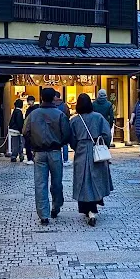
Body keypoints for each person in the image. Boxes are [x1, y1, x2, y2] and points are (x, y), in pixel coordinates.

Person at [23, 87, 71, 225]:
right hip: (55, 151)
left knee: (40, 183)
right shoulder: (59, 114)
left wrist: (32, 144)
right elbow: (66, 133)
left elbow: (25, 131)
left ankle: (43, 214)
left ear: (41, 97)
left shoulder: (33, 114)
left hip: (39, 152)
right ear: (54, 98)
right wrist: (60, 143)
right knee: (57, 182)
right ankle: (56, 206)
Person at [69, 93, 113, 226]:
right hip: (96, 150)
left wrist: (77, 146)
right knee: (96, 180)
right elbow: (106, 134)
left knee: (83, 180)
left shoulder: (75, 120)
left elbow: (71, 139)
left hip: (82, 150)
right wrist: (103, 145)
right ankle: (93, 209)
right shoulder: (98, 117)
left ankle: (87, 209)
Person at [53, 91, 72, 166]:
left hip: (54, 126)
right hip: (63, 125)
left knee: (55, 142)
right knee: (64, 143)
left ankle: (56, 159)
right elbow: (68, 114)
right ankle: (65, 159)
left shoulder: (51, 105)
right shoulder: (64, 105)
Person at [24, 95, 39, 165]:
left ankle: (32, 157)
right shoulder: (30, 109)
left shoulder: (35, 109)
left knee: (32, 144)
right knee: (30, 144)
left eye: (30, 101)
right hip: (32, 129)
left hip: (34, 129)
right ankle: (30, 157)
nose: (29, 102)